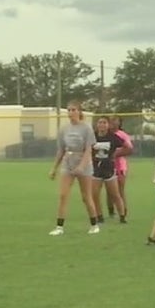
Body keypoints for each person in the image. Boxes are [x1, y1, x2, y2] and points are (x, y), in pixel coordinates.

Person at [48, 101, 101, 236]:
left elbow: (89, 150)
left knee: (86, 196)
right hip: (68, 162)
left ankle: (94, 224)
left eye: (73, 110)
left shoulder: (86, 128)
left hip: (83, 163)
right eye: (69, 110)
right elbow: (61, 150)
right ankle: (59, 227)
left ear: (79, 112)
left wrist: (82, 166)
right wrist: (54, 168)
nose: (70, 112)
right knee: (63, 195)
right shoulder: (64, 129)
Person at [91, 116, 132, 224]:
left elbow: (127, 147)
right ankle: (99, 217)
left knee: (115, 194)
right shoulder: (92, 137)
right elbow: (86, 149)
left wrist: (116, 154)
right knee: (95, 194)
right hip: (96, 169)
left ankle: (122, 216)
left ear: (108, 125)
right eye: (100, 122)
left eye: (104, 122)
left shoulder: (113, 137)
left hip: (109, 169)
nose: (102, 125)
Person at [107, 116, 133, 218]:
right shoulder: (107, 134)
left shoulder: (122, 135)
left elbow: (129, 149)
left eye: (115, 120)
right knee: (109, 190)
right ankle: (111, 211)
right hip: (108, 165)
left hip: (119, 165)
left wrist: (115, 153)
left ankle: (123, 211)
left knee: (119, 189)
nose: (113, 122)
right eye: (111, 120)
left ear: (119, 123)